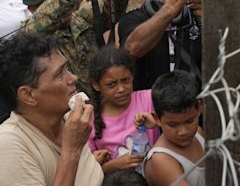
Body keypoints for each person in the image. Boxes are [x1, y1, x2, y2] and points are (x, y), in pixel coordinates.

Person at [0, 32, 104, 186]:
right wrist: (71, 150)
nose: (73, 78)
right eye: (59, 74)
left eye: (66, 68)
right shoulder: (10, 144)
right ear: (28, 95)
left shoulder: (70, 119)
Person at [21, 0, 129, 91]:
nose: (69, 3)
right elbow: (35, 28)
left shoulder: (80, 18)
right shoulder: (29, 33)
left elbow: (116, 7)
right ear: (34, 8)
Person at [118, 0, 202, 90]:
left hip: (193, 106)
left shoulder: (196, 15)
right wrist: (171, 7)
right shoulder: (133, 18)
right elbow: (132, 49)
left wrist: (209, 19)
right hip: (149, 108)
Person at [88, 45, 159, 174]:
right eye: (111, 84)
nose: (121, 89)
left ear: (132, 76)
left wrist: (158, 122)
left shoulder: (149, 99)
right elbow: (89, 172)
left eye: (125, 80)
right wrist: (113, 165)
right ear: (96, 85)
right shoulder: (90, 120)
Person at [140, 70, 205, 186]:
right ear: (156, 119)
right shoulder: (161, 160)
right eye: (172, 125)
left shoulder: (199, 134)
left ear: (200, 108)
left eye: (190, 121)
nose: (183, 132)